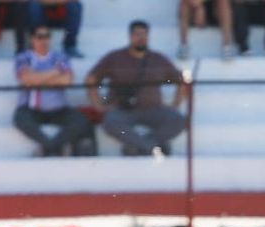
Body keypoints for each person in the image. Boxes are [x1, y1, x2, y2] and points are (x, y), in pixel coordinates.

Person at [86, 20, 188, 156]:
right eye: (137, 34)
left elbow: (181, 80)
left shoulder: (158, 59)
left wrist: (175, 104)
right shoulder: (115, 57)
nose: (141, 38)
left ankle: (138, 145)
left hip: (153, 109)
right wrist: (98, 105)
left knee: (178, 120)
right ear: (130, 36)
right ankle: (153, 147)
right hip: (122, 111)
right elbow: (91, 78)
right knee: (111, 123)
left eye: (144, 35)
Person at [13, 23, 93, 156]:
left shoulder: (60, 56)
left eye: (47, 36)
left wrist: (37, 78)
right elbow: (26, 80)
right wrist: (56, 72)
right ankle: (54, 147)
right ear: (32, 39)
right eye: (40, 36)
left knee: (81, 120)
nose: (44, 40)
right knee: (20, 118)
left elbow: (67, 80)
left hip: (58, 109)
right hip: (31, 109)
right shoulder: (24, 57)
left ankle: (50, 147)